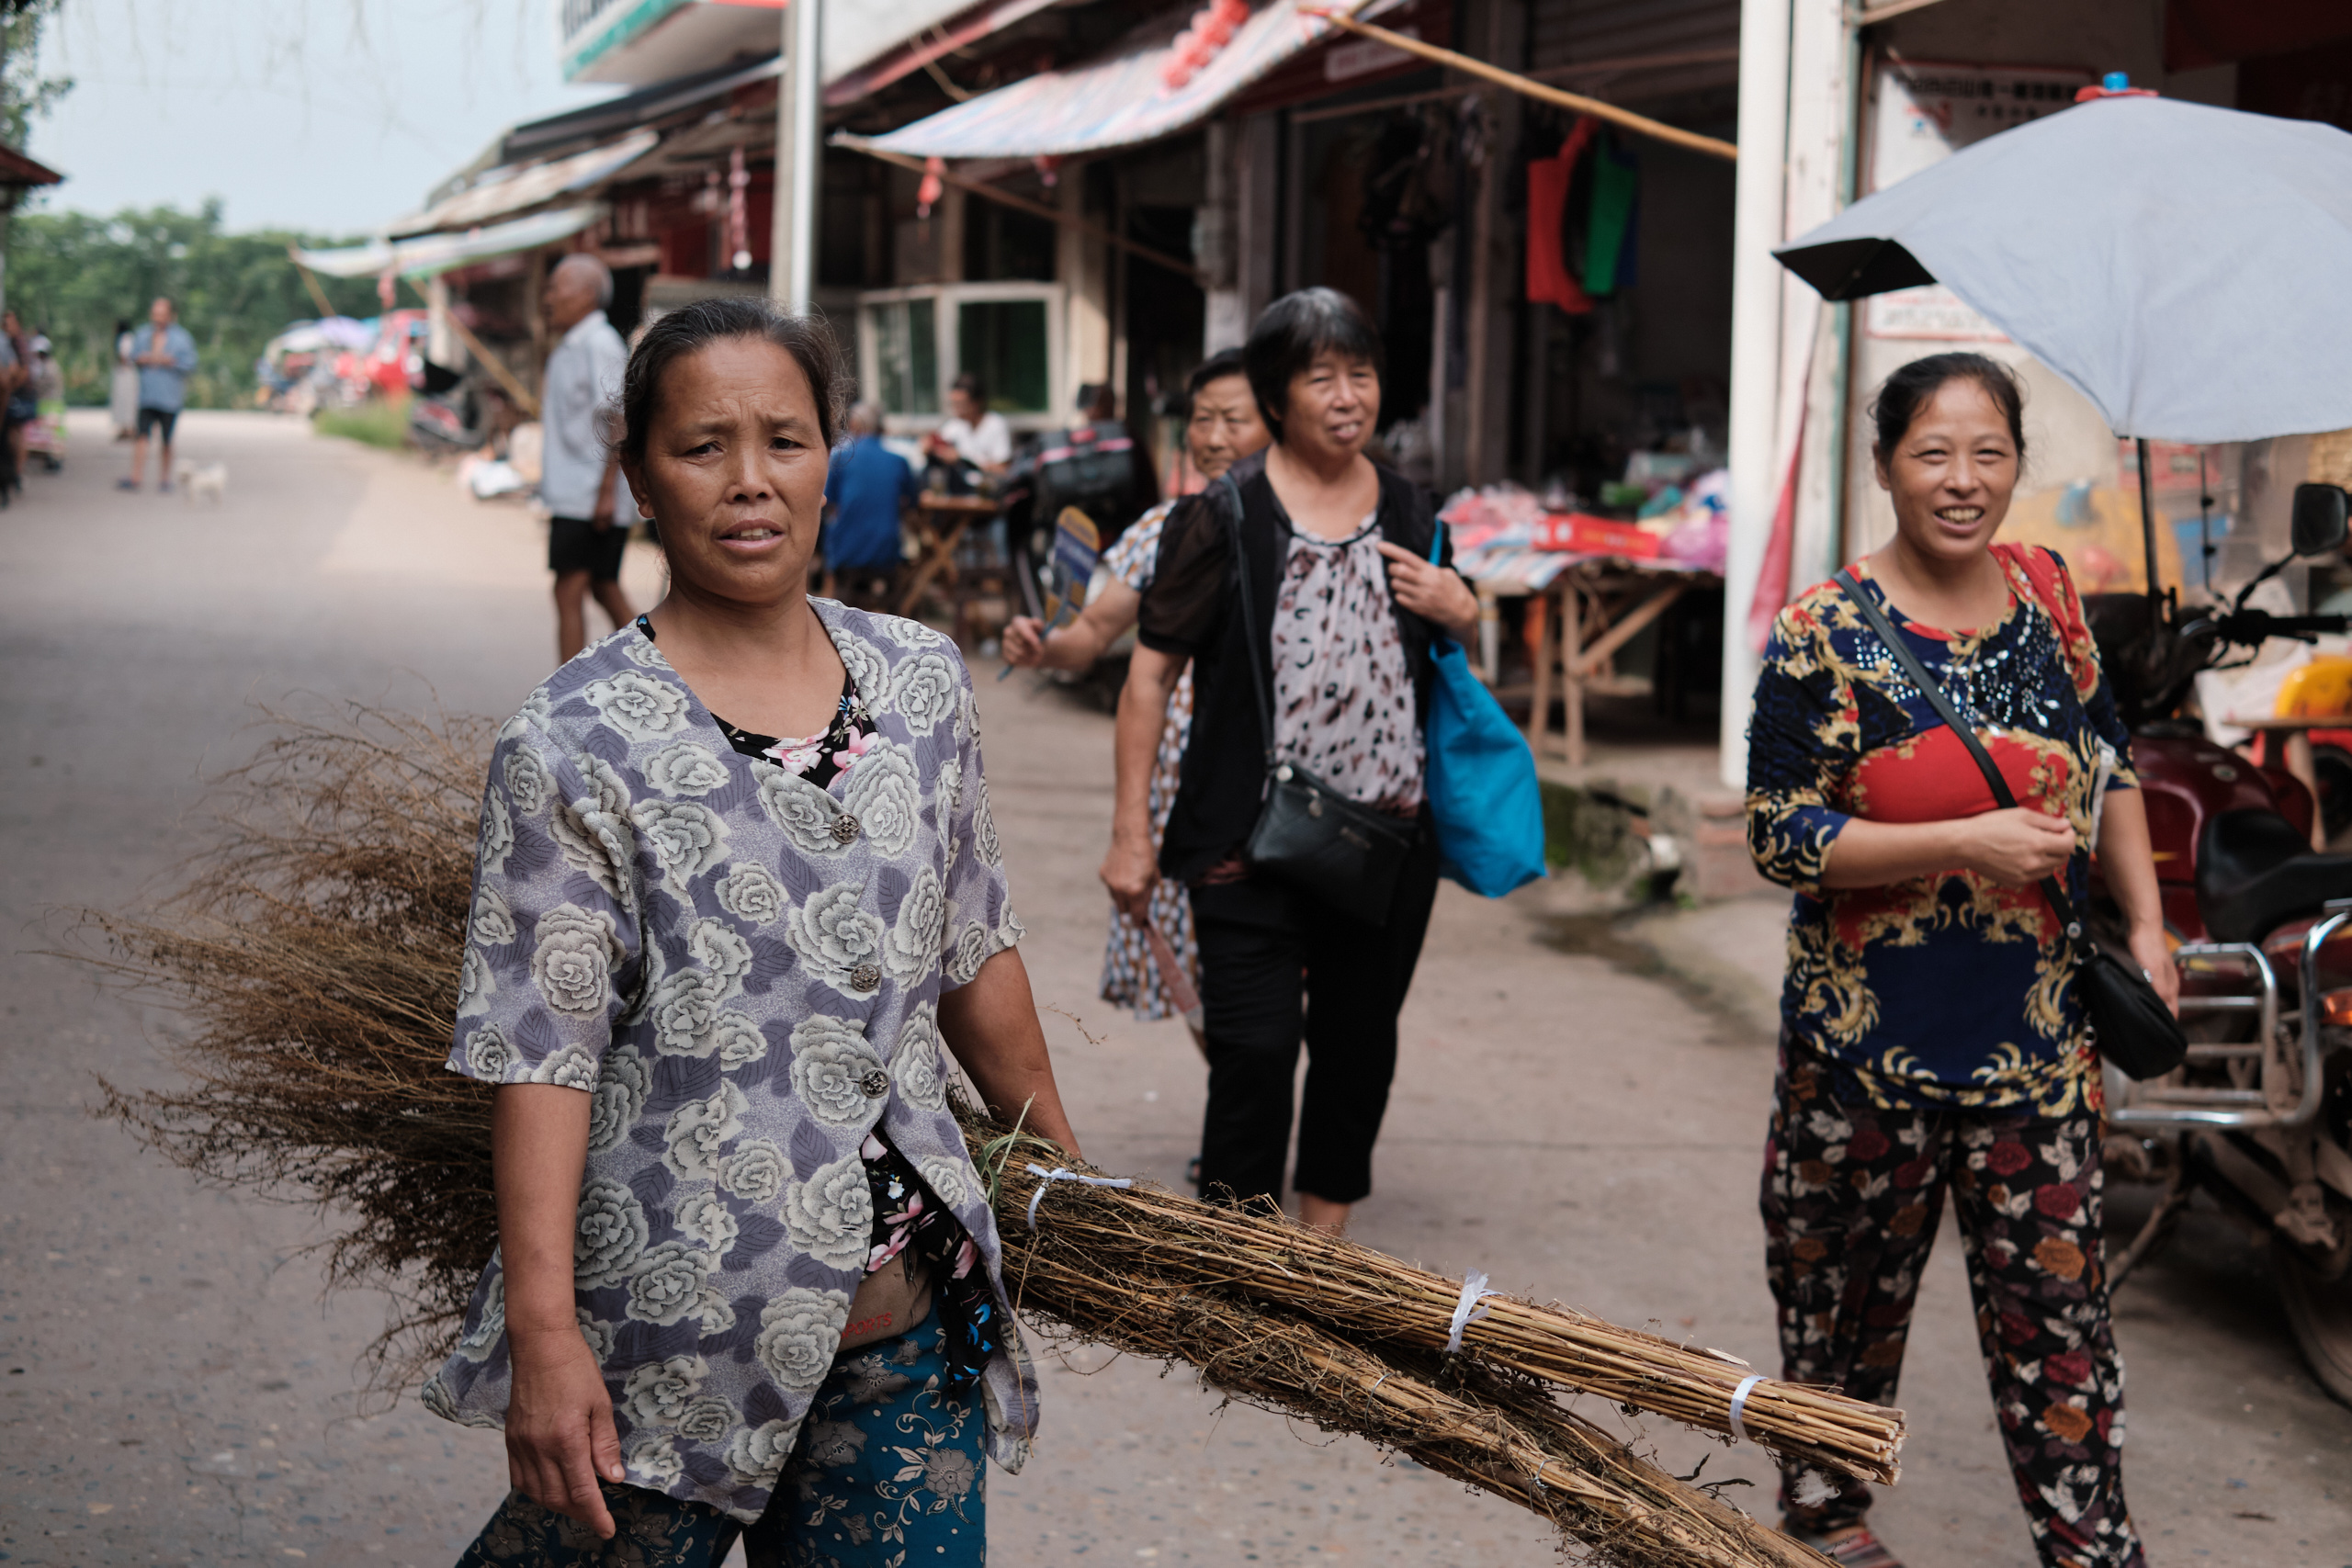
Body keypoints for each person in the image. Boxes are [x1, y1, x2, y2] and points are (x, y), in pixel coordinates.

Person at [427, 296, 1082, 1566]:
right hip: (667, 1335)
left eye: (785, 439)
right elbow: (540, 1052)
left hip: (903, 1328)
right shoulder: (574, 738)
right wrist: (548, 1338)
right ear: (637, 475)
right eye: (701, 446)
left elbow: (972, 939)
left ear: (831, 450)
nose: (749, 483)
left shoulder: (921, 680)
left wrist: (1062, 1159)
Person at [1745, 353, 2173, 1568]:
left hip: (2036, 1042)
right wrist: (1963, 838)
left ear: (2017, 466)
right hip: (1861, 1055)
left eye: (1988, 453)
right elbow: (1782, 829)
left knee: (2064, 1322)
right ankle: (1827, 1520)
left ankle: (2093, 1546)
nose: (1962, 479)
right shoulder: (1823, 629)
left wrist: (2144, 921)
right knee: (1842, 1314)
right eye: (1933, 453)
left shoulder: (2049, 595)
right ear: (1885, 466)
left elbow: (2109, 757)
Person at [1107, 289, 1478, 1234]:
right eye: (1323, 378)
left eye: (1361, 374)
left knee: (1358, 1049)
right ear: (1277, 398)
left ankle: (1319, 1257)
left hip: (1381, 840)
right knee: (1256, 1050)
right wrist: (1130, 837)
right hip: (1245, 834)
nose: (1349, 396)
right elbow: (1148, 680)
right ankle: (1238, 1251)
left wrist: (1460, 606)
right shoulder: (1223, 517)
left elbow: (1452, 636)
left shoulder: (1409, 504)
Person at [1001, 349, 1269, 1040]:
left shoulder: (1315, 530)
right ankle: (1242, 1130)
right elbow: (1090, 631)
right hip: (1188, 801)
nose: (1212, 437)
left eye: (1234, 419)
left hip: (1288, 800)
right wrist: (1045, 646)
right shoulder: (1166, 528)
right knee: (1207, 986)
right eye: (1202, 420)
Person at [541, 253, 636, 663]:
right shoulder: (574, 344)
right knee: (602, 586)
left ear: (585, 294)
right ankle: (665, 672)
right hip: (579, 493)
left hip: (588, 495)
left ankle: (563, 697)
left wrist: (604, 494)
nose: (548, 297)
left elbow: (618, 419)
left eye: (555, 287)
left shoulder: (598, 343)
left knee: (568, 589)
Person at [821, 400, 920, 612]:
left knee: (834, 529)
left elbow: (829, 504)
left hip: (849, 552)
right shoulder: (898, 461)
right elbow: (912, 503)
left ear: (855, 425)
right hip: (887, 550)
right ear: (881, 428)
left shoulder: (841, 458)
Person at [119, 297, 198, 492]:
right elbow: (132, 357)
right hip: (147, 395)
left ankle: (165, 479)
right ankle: (135, 477)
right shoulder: (143, 334)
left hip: (170, 397)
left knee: (167, 440)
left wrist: (171, 361)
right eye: (155, 314)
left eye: (162, 314)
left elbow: (190, 363)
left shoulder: (182, 337)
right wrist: (142, 359)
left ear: (170, 315)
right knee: (141, 436)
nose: (158, 318)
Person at [925, 373, 1012, 478]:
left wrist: (963, 458)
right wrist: (929, 447)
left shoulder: (996, 424)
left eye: (961, 404)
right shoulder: (955, 425)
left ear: (978, 402)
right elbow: (935, 444)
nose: (956, 409)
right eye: (953, 404)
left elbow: (1003, 470)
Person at [109, 318, 140, 441]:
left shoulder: (125, 338)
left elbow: (125, 357)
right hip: (127, 373)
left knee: (126, 400)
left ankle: (129, 428)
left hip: (126, 373)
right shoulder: (129, 338)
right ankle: (125, 428)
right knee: (125, 401)